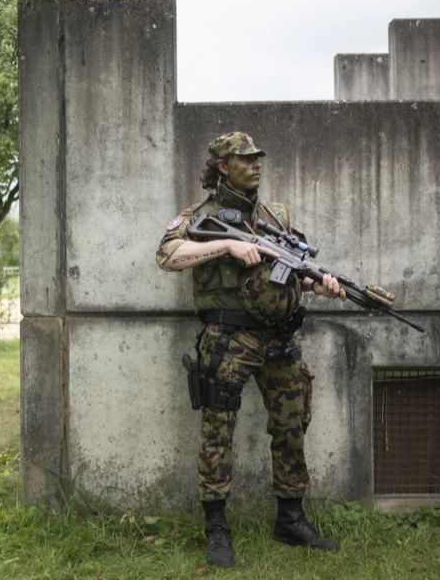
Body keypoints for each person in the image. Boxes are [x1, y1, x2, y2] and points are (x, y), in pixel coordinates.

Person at [155, 132, 345, 569]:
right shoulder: (199, 216)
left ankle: (291, 519)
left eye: (258, 158)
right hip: (228, 339)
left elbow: (296, 272)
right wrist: (226, 245)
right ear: (222, 165)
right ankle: (217, 528)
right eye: (245, 159)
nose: (256, 164)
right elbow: (166, 255)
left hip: (278, 338)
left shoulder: (275, 217)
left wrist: (323, 285)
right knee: (218, 431)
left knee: (291, 424)